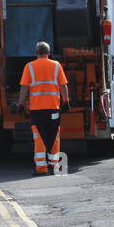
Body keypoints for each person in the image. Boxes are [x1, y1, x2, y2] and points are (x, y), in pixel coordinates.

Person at [17, 41, 70, 176]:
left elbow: (24, 88)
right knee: (54, 136)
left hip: (37, 110)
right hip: (53, 109)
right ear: (49, 52)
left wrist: (20, 103)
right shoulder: (56, 66)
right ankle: (53, 166)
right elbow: (63, 86)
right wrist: (66, 101)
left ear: (36, 53)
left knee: (39, 137)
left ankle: (41, 169)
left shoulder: (29, 67)